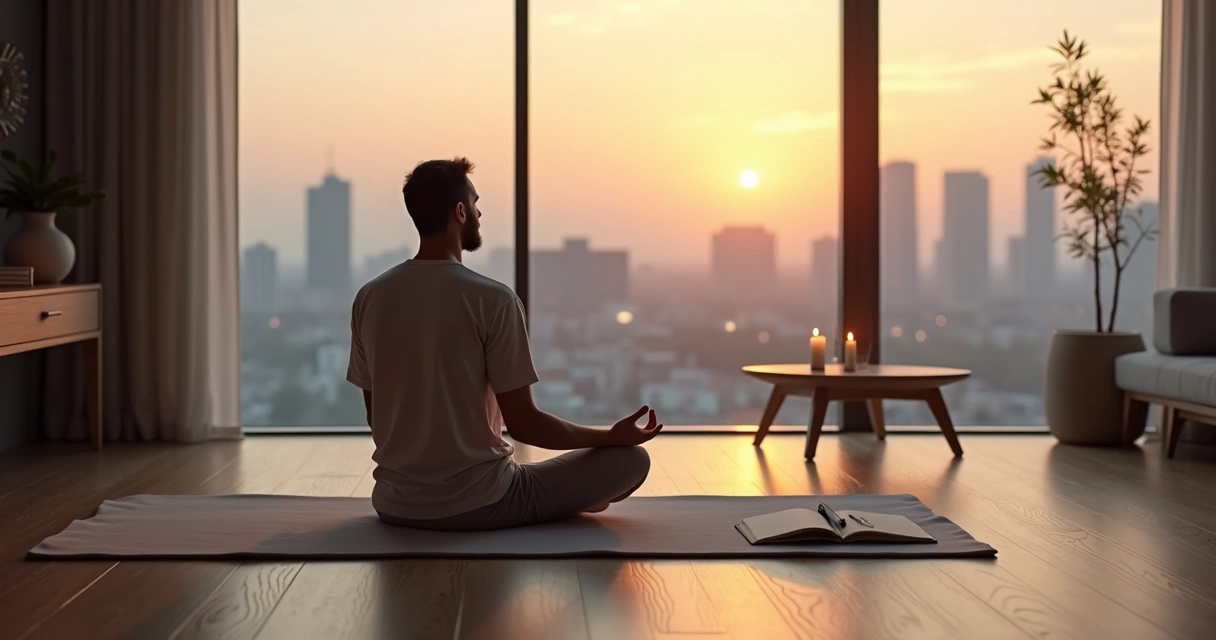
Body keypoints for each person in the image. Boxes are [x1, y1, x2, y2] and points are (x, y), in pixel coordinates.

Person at [347, 157, 661, 532]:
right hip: (483, 502)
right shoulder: (493, 300)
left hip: (395, 505)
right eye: (476, 204)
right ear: (460, 212)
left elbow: (375, 416)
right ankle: (561, 504)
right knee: (631, 461)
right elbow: (526, 425)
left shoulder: (371, 297)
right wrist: (611, 436)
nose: (480, 214)